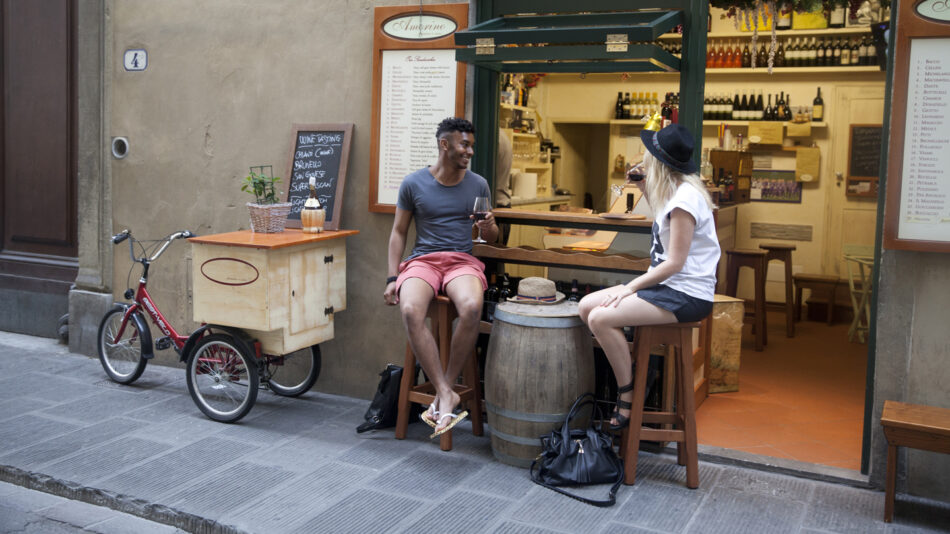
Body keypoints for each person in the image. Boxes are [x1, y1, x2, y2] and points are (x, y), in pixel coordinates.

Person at [578, 124, 720, 431]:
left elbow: (675, 263)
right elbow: (663, 226)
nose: (643, 161)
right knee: (586, 306)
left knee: (601, 318)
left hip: (686, 294)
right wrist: (642, 185)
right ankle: (635, 375)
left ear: (659, 163)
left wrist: (629, 288)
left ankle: (629, 394)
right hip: (669, 287)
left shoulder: (685, 202)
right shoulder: (675, 192)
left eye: (648, 158)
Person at [383, 117, 499, 438]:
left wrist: (488, 227)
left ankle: (444, 388)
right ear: (444, 144)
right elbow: (398, 233)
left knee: (472, 308)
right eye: (465, 144)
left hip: (462, 260)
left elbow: (492, 236)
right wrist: (393, 277)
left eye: (471, 145)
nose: (470, 151)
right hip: (423, 261)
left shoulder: (478, 184)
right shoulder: (413, 184)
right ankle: (445, 391)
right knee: (409, 310)